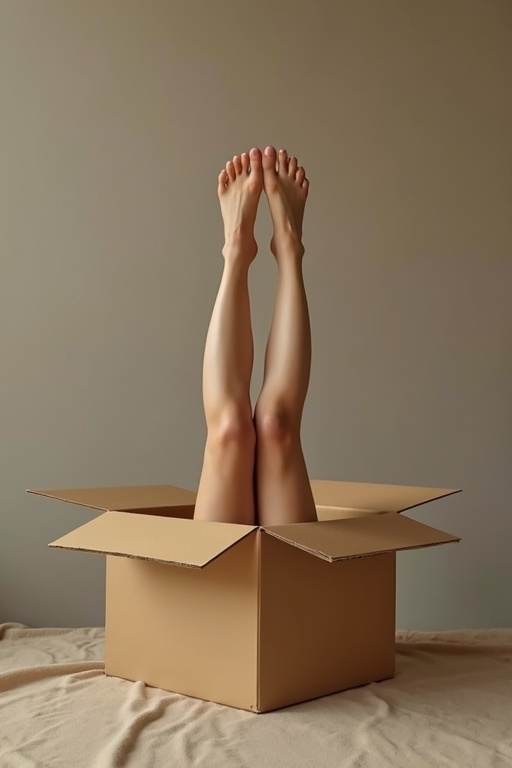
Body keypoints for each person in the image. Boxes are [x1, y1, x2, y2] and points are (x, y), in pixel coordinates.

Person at [193, 146, 317, 526]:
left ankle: (241, 250)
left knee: (245, 428)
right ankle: (283, 249)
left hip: (214, 585)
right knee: (264, 428)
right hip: (294, 583)